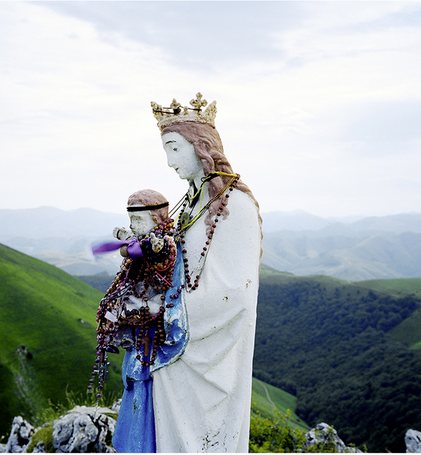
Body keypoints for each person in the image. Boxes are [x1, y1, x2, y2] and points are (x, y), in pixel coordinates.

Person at [147, 93, 262, 452]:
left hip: (209, 350)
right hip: (182, 341)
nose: (168, 162)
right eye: (165, 150)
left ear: (201, 147)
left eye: (174, 148)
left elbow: (237, 294)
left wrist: (163, 314)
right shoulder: (192, 204)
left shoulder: (235, 206)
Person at [92, 190, 182, 454]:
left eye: (139, 220)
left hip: (152, 335)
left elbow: (158, 253)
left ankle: (144, 445)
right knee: (134, 379)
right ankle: (131, 443)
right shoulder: (142, 242)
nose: (134, 226)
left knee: (144, 379)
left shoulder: (163, 244)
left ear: (157, 217)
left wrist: (137, 244)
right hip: (141, 331)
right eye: (131, 220)